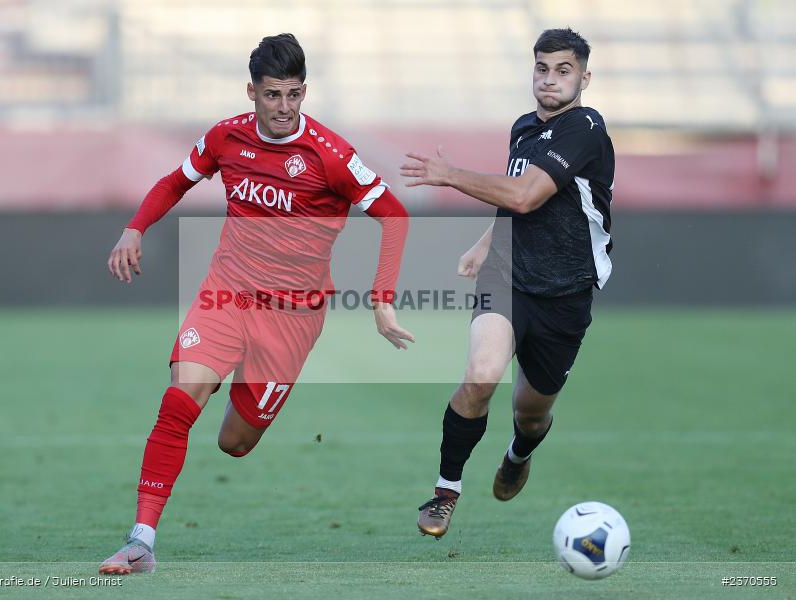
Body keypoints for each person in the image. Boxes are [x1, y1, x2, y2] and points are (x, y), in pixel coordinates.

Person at [99, 33, 413, 574]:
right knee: (178, 403)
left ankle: (239, 384)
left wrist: (382, 300)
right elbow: (175, 182)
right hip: (228, 292)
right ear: (252, 91)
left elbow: (394, 214)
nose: (285, 108)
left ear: (304, 91)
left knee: (235, 443)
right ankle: (141, 541)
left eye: (294, 95)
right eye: (273, 96)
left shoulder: (330, 154)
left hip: (293, 318)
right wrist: (134, 228)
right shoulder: (226, 138)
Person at [401, 28, 614, 538]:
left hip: (566, 292)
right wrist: (485, 242)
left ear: (584, 77)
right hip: (508, 275)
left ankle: (518, 454)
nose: (550, 80)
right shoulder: (523, 127)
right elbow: (513, 201)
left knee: (530, 413)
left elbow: (524, 195)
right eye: (542, 68)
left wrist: (450, 175)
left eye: (564, 71)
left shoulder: (585, 128)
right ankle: (445, 491)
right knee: (481, 373)